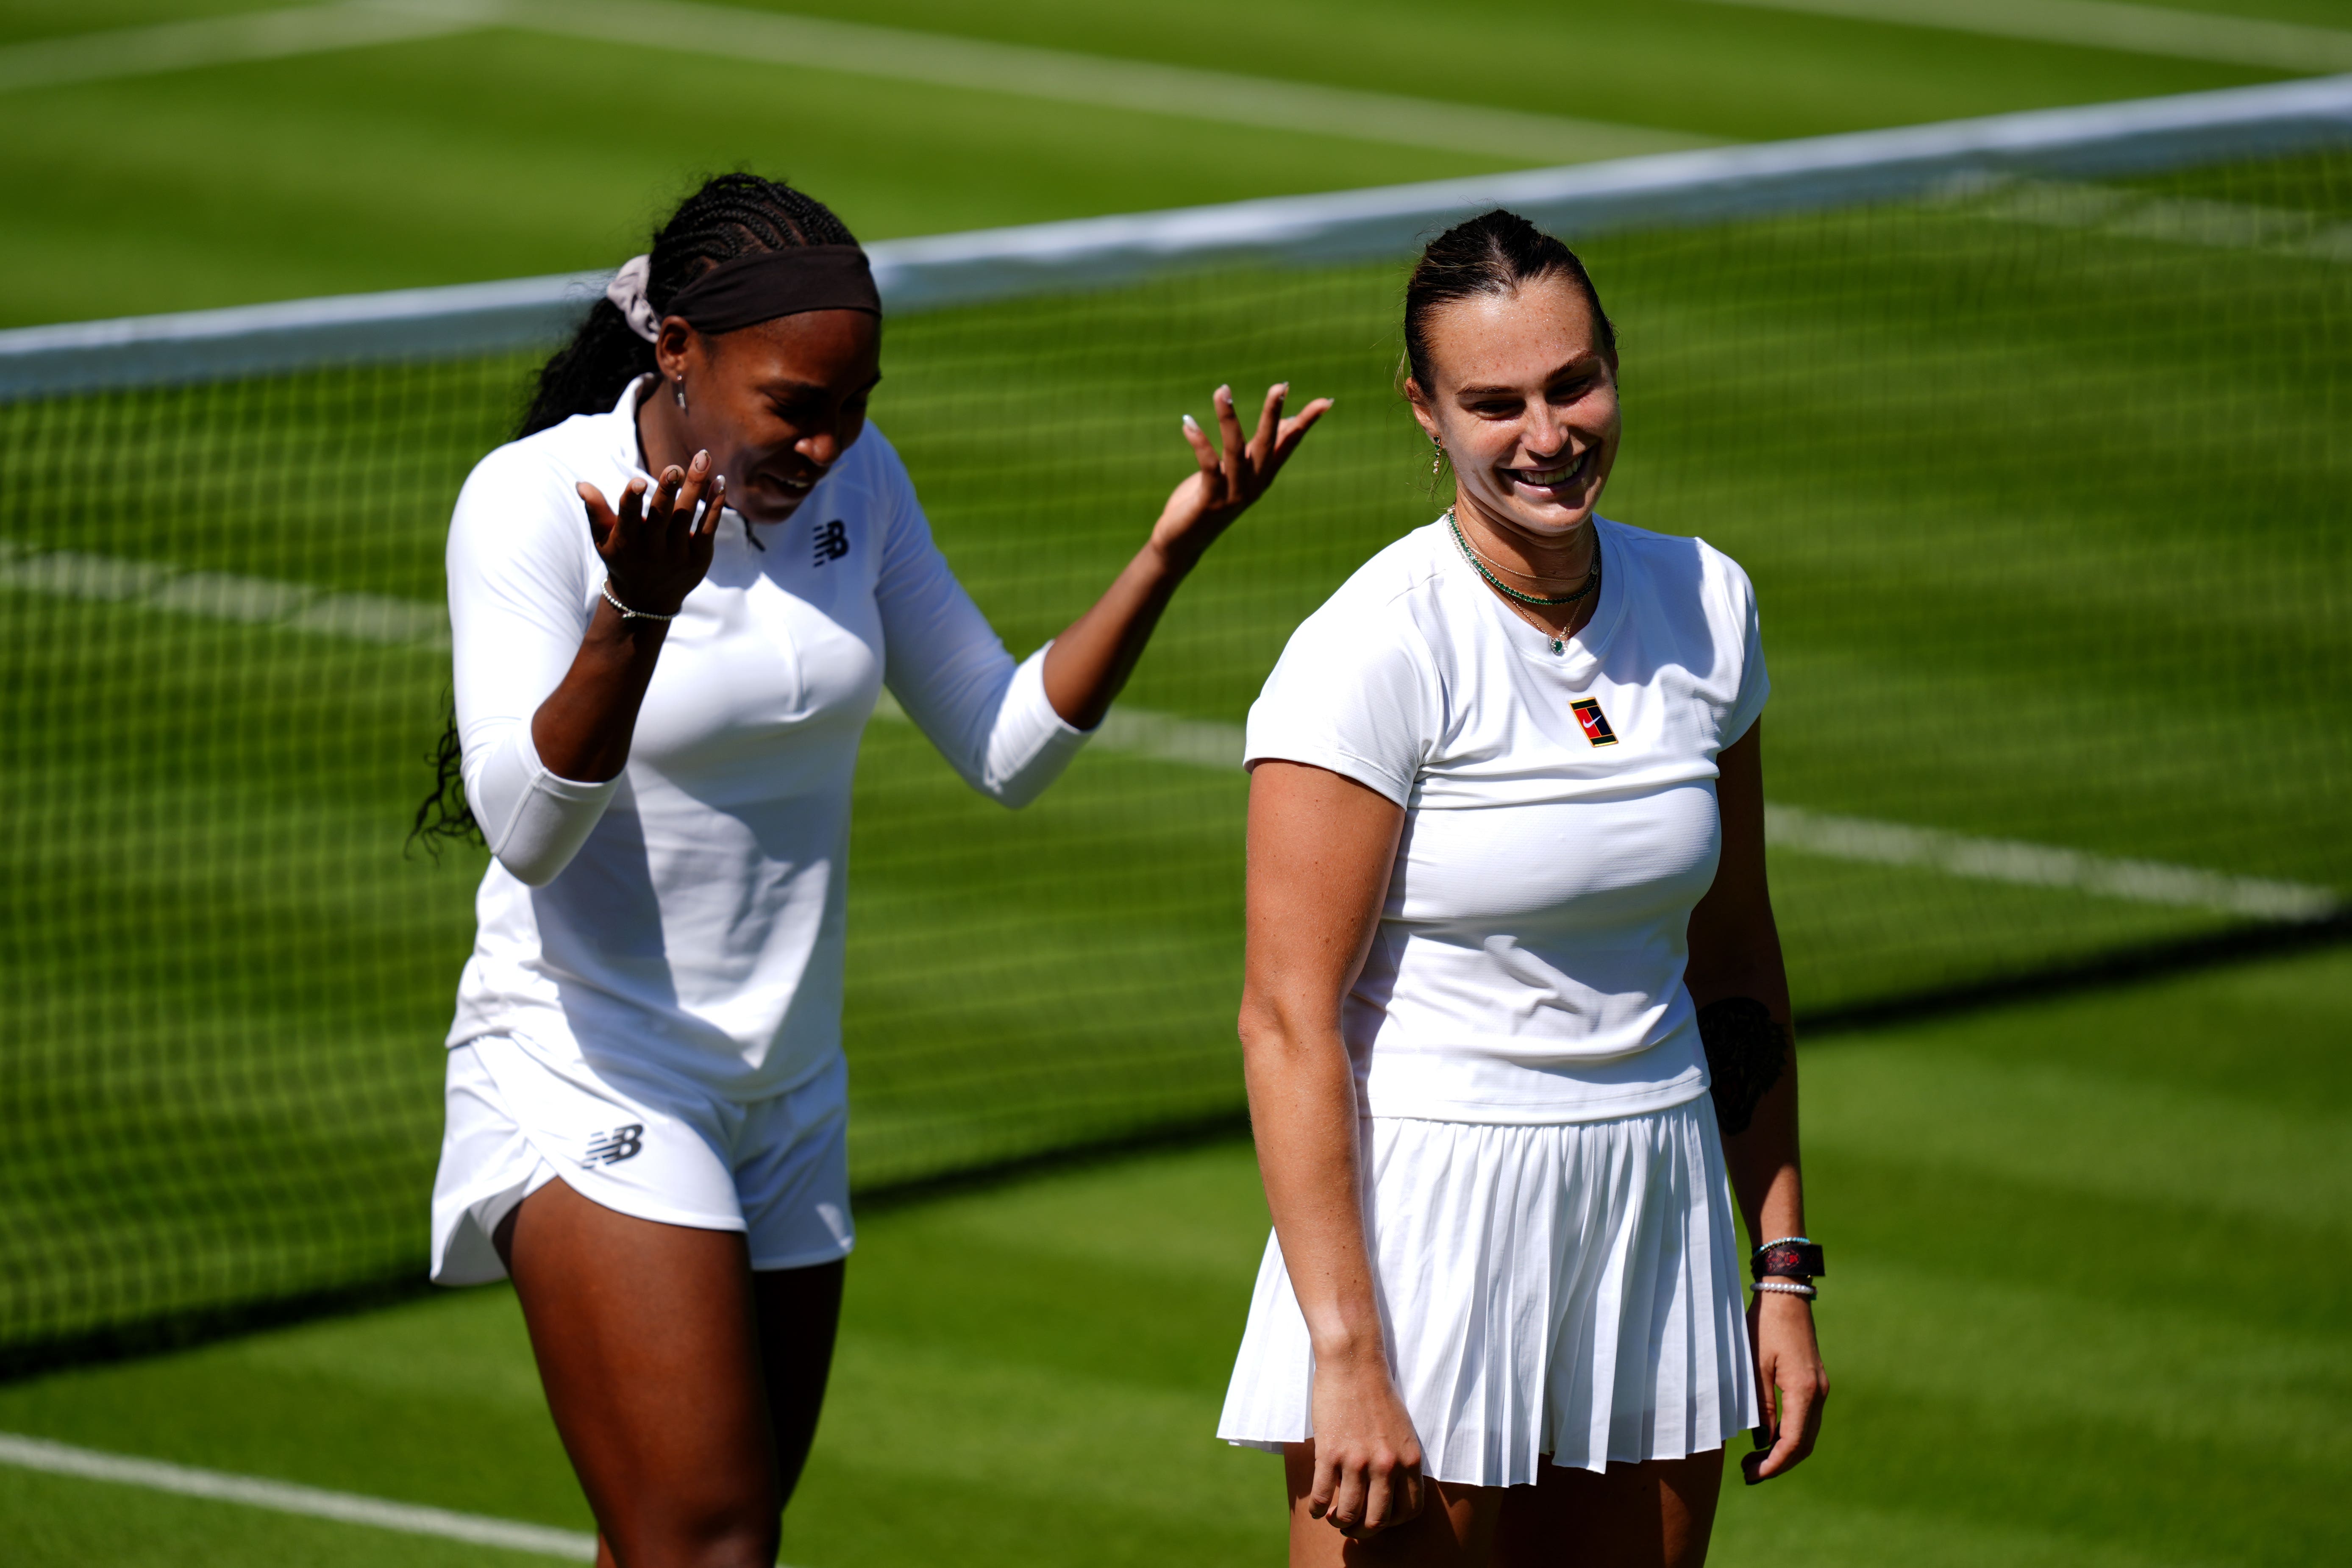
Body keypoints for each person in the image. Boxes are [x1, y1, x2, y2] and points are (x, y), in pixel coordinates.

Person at [411, 172, 1329, 1568]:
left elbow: (1005, 745)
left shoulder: (864, 478)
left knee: (703, 1537)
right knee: (707, 1541)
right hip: (588, 1068)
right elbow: (528, 828)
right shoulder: (532, 502)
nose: (832, 442)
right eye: (796, 407)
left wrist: (1167, 550)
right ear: (678, 354)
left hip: (789, 1095)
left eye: (854, 404)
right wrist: (635, 613)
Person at [1215, 209, 1827, 1566]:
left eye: (1572, 384)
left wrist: (1780, 1266)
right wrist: (1346, 1349)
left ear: (1614, 365)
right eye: (1494, 402)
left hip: (1652, 1208)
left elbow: (1732, 964)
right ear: (1424, 412)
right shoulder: (1369, 652)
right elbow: (1283, 1020)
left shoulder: (1709, 604)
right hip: (1430, 1231)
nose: (1546, 433)